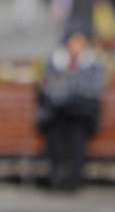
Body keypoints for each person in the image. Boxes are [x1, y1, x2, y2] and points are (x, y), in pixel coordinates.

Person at [36, 31, 105, 191]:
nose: (76, 46)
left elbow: (95, 88)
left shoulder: (92, 62)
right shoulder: (56, 61)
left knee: (78, 135)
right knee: (54, 133)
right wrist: (68, 88)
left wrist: (69, 84)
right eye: (73, 41)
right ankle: (54, 176)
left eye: (80, 42)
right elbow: (47, 85)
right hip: (58, 111)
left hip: (81, 113)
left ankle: (75, 178)